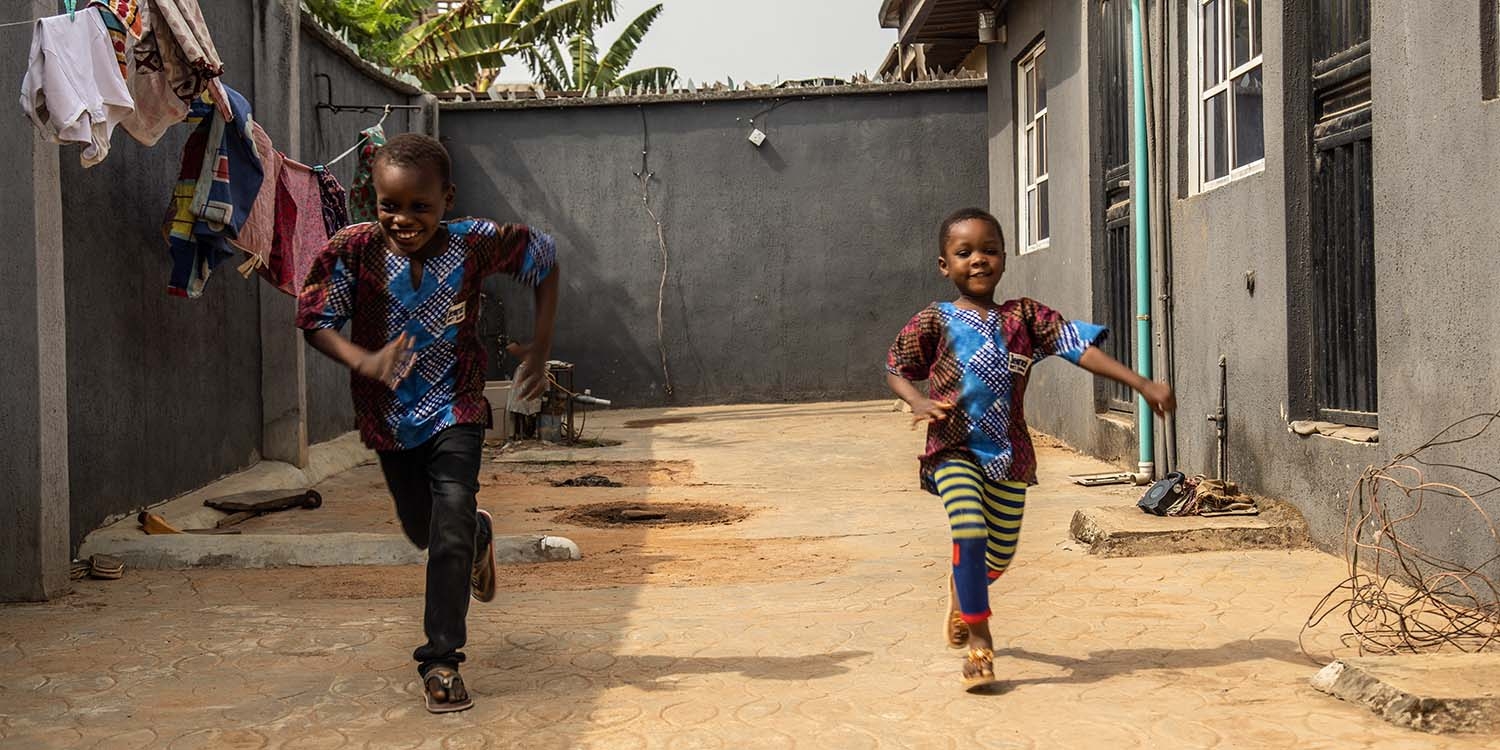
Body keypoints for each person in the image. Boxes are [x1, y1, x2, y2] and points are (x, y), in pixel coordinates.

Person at [297, 133, 560, 713]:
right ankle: (477, 536)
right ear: (374, 200)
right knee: (425, 531)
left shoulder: (474, 244)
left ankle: (441, 661)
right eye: (391, 205)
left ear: (447, 199)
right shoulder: (352, 250)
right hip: (388, 416)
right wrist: (363, 359)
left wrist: (540, 349)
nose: (404, 219)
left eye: (421, 206)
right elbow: (316, 316)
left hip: (458, 404)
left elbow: (544, 258)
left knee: (447, 525)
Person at [885, 207, 1175, 691]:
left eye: (989, 250)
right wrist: (917, 399)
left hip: (1009, 455)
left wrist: (1141, 383)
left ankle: (963, 592)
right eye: (964, 252)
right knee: (970, 532)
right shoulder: (934, 321)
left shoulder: (1024, 318)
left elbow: (1077, 348)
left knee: (997, 556)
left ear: (1003, 258)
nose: (978, 260)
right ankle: (980, 644)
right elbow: (897, 367)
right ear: (944, 265)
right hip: (953, 449)